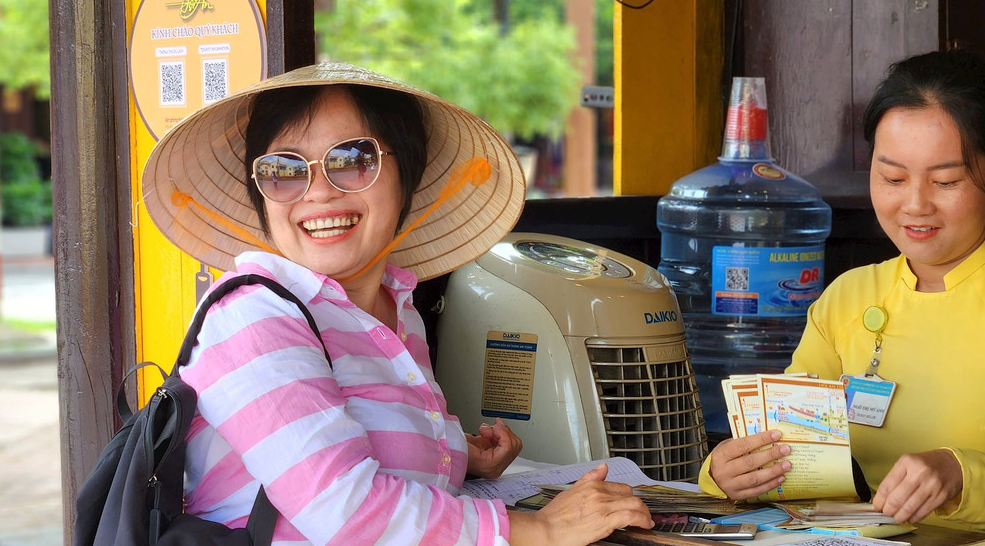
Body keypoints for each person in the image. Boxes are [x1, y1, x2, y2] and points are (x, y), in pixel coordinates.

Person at [141, 62, 653, 545]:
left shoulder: (398, 309)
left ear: (405, 176)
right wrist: (539, 529)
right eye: (284, 169)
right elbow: (342, 508)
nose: (318, 192)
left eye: (353, 160)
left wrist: (454, 451)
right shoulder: (252, 314)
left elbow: (369, 445)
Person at [698, 51, 985, 544]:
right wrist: (726, 473)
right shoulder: (848, 299)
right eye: (893, 178)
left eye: (946, 181)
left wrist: (961, 475)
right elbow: (787, 452)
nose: (915, 204)